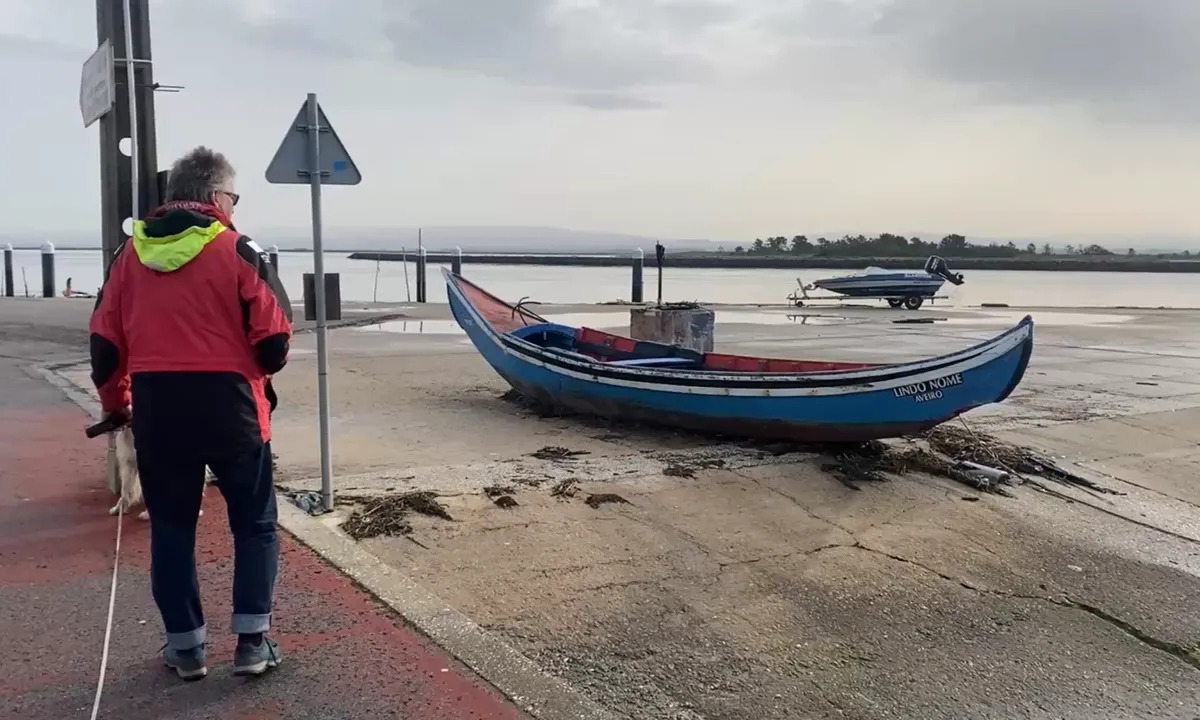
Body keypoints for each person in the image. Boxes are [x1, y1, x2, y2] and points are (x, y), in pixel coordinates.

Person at [89, 146, 293, 681]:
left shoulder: (127, 256)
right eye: (234, 196)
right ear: (216, 197)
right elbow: (274, 340)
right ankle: (252, 643)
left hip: (160, 407)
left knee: (173, 527)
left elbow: (105, 346)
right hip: (233, 407)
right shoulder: (238, 249)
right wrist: (250, 370)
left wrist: (117, 405)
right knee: (253, 524)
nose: (235, 205)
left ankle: (186, 649)